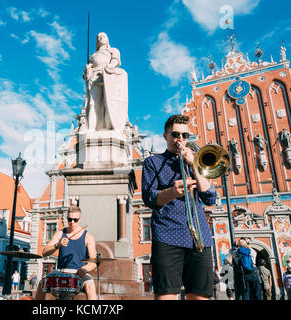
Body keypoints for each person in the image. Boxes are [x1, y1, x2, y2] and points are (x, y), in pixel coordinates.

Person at [141, 114, 217, 300]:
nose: (180, 139)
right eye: (175, 134)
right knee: (166, 296)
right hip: (168, 236)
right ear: (165, 136)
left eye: (185, 135)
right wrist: (172, 192)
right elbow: (149, 198)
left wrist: (194, 164)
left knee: (200, 297)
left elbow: (210, 197)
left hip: (199, 237)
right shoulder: (153, 162)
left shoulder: (196, 162)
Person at [35, 205, 98, 300]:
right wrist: (57, 245)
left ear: (80, 219)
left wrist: (84, 269)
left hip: (79, 272)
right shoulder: (60, 233)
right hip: (61, 270)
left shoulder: (88, 236)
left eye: (75, 220)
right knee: (41, 283)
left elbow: (93, 262)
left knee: (90, 286)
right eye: (69, 219)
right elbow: (44, 252)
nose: (72, 222)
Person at [83, 32, 128, 133]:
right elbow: (85, 73)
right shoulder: (93, 55)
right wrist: (87, 69)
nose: (100, 38)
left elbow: (115, 60)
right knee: (92, 103)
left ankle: (111, 126)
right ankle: (91, 129)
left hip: (108, 76)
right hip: (95, 77)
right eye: (98, 37)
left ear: (107, 39)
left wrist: (111, 65)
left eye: (103, 36)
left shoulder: (113, 50)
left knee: (108, 103)